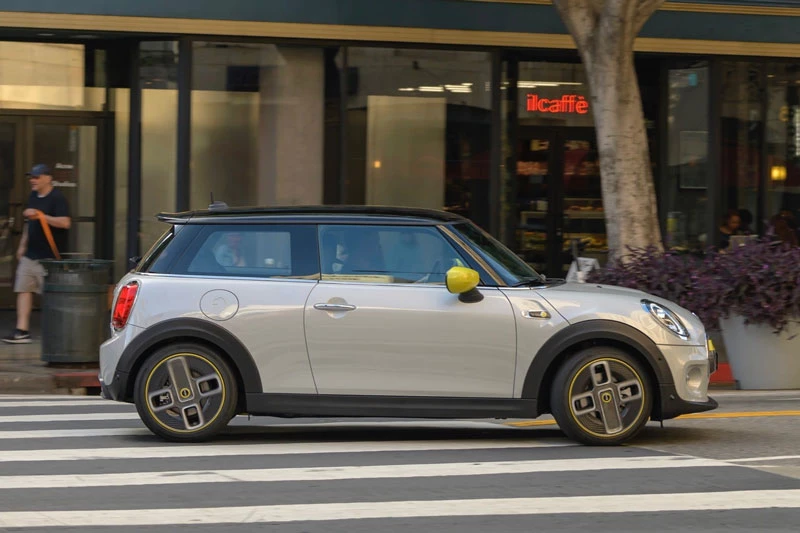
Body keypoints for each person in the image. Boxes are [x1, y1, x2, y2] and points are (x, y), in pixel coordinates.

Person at [3, 164, 71, 344]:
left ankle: (57, 332)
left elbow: (65, 223)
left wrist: (41, 216)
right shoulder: (33, 196)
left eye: (37, 177)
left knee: (49, 295)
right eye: (31, 177)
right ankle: (21, 330)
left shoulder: (57, 198)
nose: (33, 180)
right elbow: (29, 224)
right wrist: (22, 246)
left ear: (48, 178)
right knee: (24, 290)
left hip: (48, 257)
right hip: (30, 254)